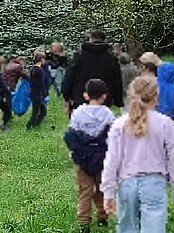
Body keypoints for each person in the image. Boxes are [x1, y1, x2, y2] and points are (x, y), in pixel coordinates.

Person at [101, 76, 174, 233]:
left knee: (126, 228)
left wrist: (108, 192)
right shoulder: (166, 123)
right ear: (156, 96)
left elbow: (111, 161)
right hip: (154, 183)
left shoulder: (119, 124)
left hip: (126, 183)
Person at [64, 79, 116, 233]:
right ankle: (102, 216)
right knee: (102, 188)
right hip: (102, 158)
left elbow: (71, 135)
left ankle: (84, 222)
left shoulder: (78, 112)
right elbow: (113, 136)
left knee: (84, 191)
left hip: (82, 159)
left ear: (86, 95)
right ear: (104, 96)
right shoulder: (108, 113)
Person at [63, 29, 123, 114]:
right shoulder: (111, 58)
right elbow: (117, 80)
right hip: (103, 99)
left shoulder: (79, 55)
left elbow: (70, 75)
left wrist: (67, 96)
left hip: (80, 97)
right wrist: (118, 99)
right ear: (104, 39)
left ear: (90, 39)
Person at [27, 50, 48, 129]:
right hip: (38, 93)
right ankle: (31, 125)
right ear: (42, 59)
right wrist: (44, 93)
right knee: (38, 111)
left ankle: (34, 124)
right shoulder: (40, 71)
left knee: (40, 110)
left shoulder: (32, 69)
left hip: (32, 92)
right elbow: (41, 84)